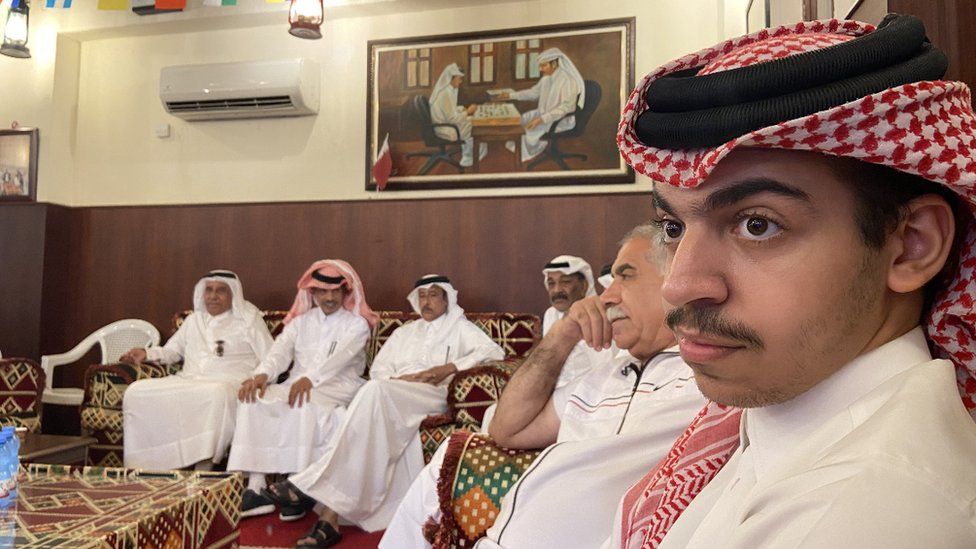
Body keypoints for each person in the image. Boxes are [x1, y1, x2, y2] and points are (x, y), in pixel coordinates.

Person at [608, 13, 976, 548]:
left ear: (911, 245)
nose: (680, 285)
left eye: (757, 225)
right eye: (673, 226)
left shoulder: (866, 517)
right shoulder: (789, 417)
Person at [381, 226, 707, 548]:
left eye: (627, 276)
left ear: (674, 283)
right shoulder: (608, 376)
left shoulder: (707, 382)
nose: (607, 296)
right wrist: (562, 335)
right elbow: (507, 429)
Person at [265, 275, 504, 547]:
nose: (427, 301)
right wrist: (400, 382)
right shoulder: (404, 333)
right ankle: (329, 518)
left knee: (373, 392)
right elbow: (379, 370)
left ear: (447, 298)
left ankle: (310, 486)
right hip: (394, 392)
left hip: (432, 394)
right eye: (422, 296)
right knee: (374, 399)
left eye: (434, 295)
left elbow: (493, 353)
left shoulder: (461, 328)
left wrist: (448, 368)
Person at [227, 260, 378, 519]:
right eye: (322, 291)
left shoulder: (356, 325)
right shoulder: (300, 322)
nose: (329, 297)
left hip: (337, 386)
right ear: (313, 293)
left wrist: (311, 379)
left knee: (303, 403)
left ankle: (297, 487)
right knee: (254, 400)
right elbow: (280, 351)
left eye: (335, 292)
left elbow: (339, 359)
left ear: (345, 293)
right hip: (296, 384)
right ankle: (256, 487)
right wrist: (262, 375)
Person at [121, 270, 273, 470]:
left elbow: (271, 356)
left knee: (216, 393)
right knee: (136, 391)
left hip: (230, 382)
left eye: (221, 291)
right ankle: (144, 466)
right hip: (189, 379)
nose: (212, 296)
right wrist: (147, 354)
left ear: (233, 294)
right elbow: (172, 351)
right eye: (208, 290)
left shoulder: (248, 319)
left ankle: (204, 464)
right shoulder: (194, 320)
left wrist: (259, 379)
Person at [499, 48, 584, 161]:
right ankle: (517, 151)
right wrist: (510, 95)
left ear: (554, 64)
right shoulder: (546, 79)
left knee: (529, 131)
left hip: (560, 120)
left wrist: (540, 119)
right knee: (522, 120)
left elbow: (566, 108)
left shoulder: (568, 80)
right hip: (544, 114)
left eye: (543, 66)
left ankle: (523, 155)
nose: (540, 69)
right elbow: (533, 93)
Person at [429, 63, 487, 168]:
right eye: (459, 79)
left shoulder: (447, 90)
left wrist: (462, 109)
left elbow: (450, 110)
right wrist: (468, 112)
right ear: (451, 78)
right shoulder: (445, 93)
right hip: (445, 129)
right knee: (475, 126)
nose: (460, 82)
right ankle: (469, 157)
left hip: (446, 124)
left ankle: (472, 153)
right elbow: (452, 118)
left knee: (471, 120)